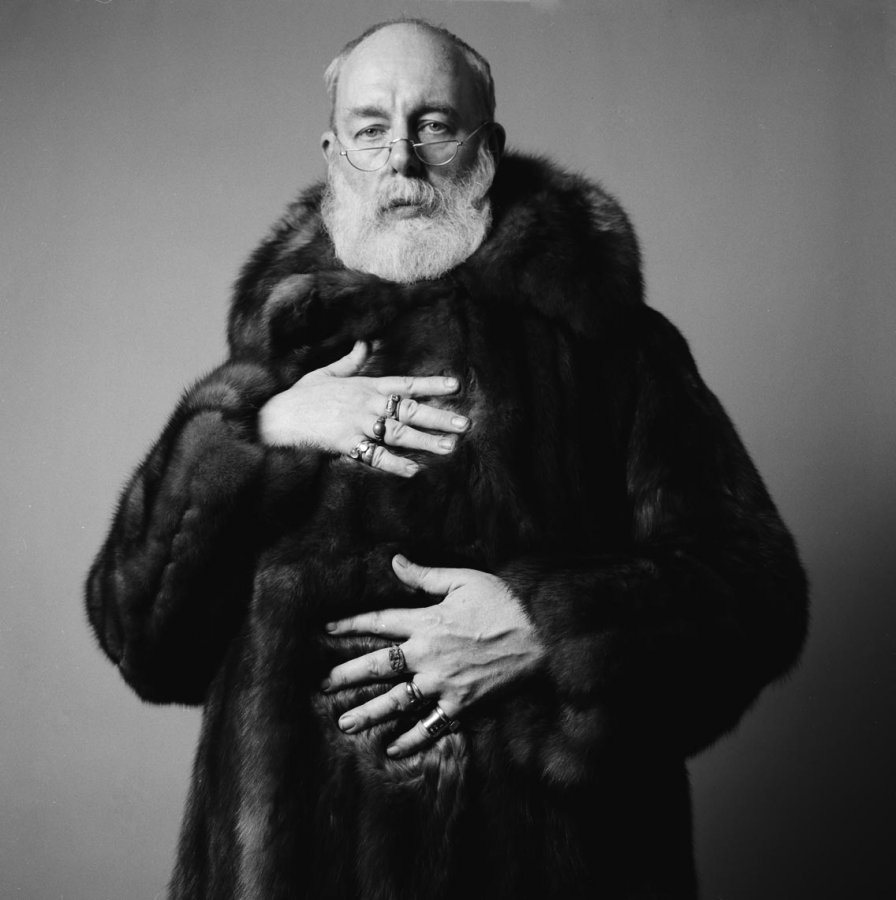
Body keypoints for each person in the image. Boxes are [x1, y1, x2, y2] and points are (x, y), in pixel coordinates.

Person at [86, 18, 808, 900]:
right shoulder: (280, 360)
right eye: (370, 128)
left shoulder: (606, 344)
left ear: (487, 148)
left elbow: (756, 591)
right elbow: (145, 641)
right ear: (334, 153)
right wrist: (263, 432)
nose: (401, 159)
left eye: (433, 124)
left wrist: (546, 630)